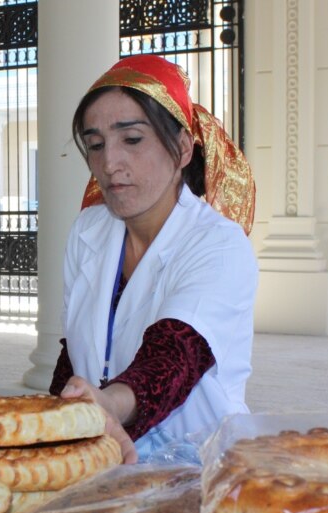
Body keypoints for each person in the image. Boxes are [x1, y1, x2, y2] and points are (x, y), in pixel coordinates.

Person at [50, 55, 258, 464]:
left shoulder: (218, 243)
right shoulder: (88, 231)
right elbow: (73, 353)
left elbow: (176, 356)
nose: (109, 163)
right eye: (95, 145)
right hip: (100, 458)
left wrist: (109, 404)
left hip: (195, 466)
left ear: (181, 148)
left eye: (132, 139)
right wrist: (57, 419)